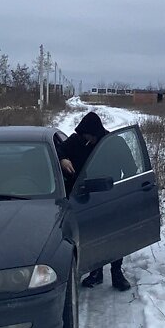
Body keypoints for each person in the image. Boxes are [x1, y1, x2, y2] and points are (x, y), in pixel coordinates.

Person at [56, 111, 131, 292]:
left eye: (89, 136)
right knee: (92, 235)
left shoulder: (115, 143)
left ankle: (117, 272)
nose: (86, 139)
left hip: (110, 197)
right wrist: (63, 158)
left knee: (114, 236)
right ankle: (96, 272)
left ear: (97, 132)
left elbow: (131, 169)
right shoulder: (76, 141)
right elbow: (58, 149)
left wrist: (125, 190)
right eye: (84, 136)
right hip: (84, 199)